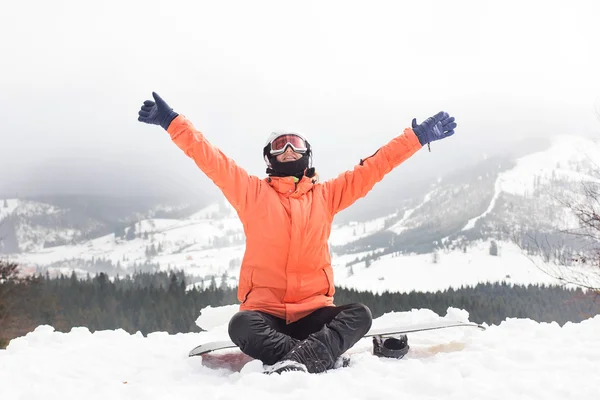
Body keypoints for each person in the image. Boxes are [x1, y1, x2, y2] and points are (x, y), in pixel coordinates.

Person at [137, 92, 457, 374]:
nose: (289, 149)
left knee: (360, 315)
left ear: (307, 154)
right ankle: (318, 354)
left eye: (296, 144)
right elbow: (211, 159)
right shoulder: (251, 194)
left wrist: (416, 138)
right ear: (269, 157)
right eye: (280, 145)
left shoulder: (327, 196)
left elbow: (374, 167)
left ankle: (299, 355)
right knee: (241, 325)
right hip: (266, 315)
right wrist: (173, 122)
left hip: (314, 312)